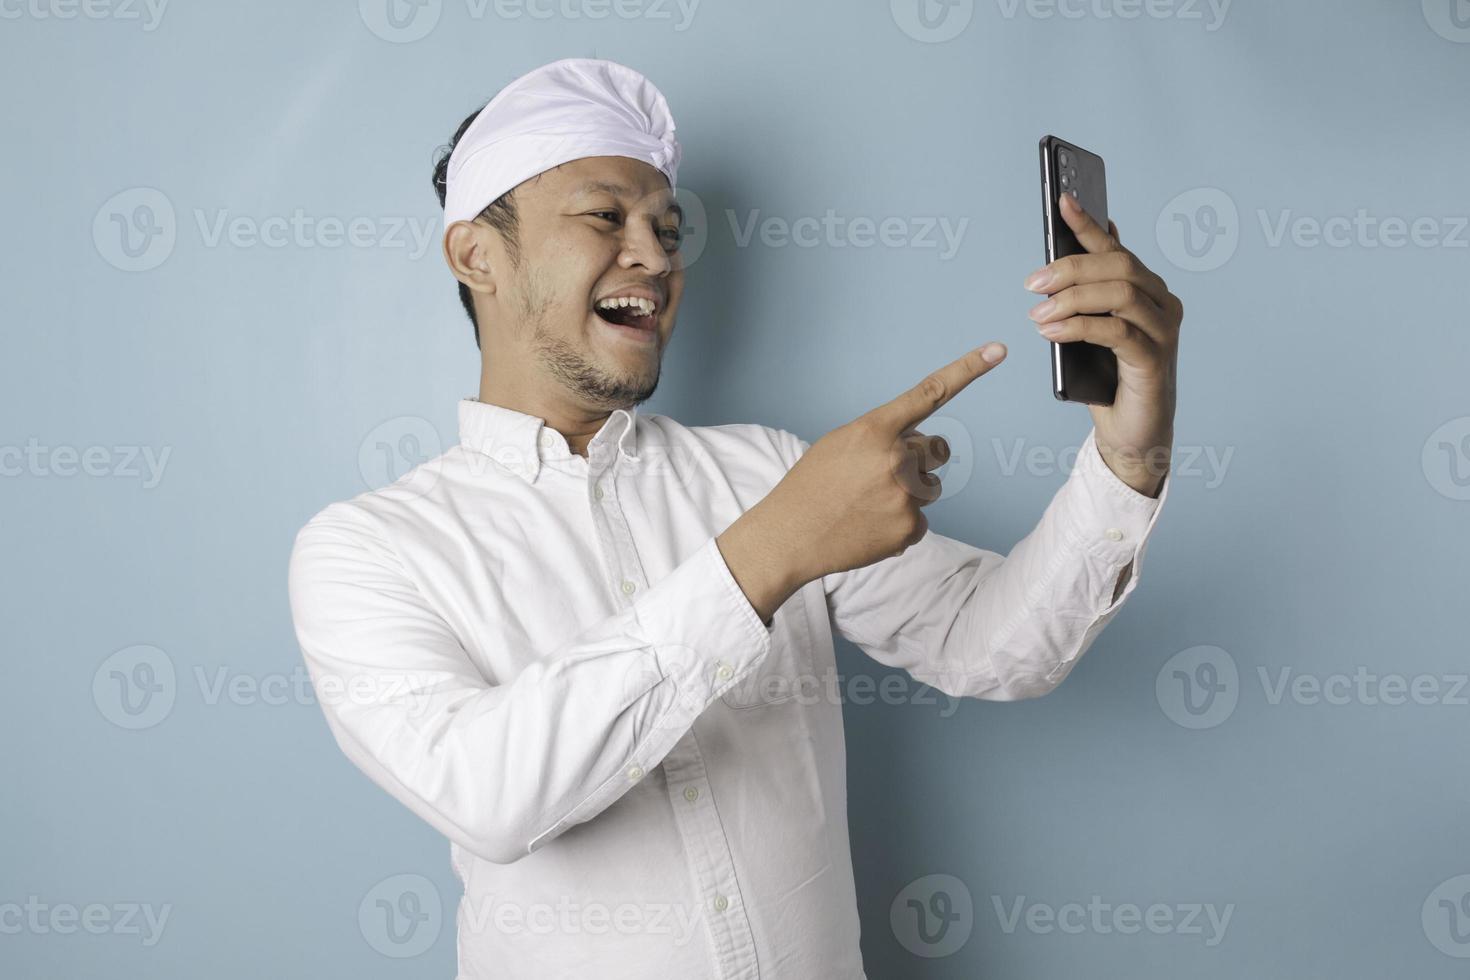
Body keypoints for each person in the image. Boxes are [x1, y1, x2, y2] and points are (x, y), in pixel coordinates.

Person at [287, 57, 1181, 979]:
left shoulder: (769, 470)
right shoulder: (366, 551)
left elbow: (996, 646)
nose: (656, 256)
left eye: (667, 229)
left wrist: (1130, 448)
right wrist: (769, 551)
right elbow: (491, 796)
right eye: (606, 217)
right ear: (477, 254)